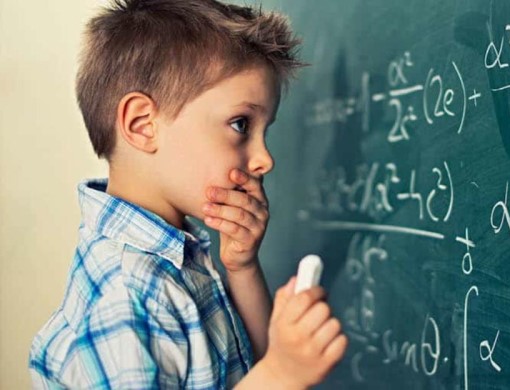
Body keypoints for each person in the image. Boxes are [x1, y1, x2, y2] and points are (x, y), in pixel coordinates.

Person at [28, 0, 347, 388]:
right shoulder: (128, 297)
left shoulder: (174, 256)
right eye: (241, 124)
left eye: (266, 131)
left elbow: (252, 363)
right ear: (143, 125)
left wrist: (241, 268)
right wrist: (281, 374)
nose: (264, 159)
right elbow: (268, 373)